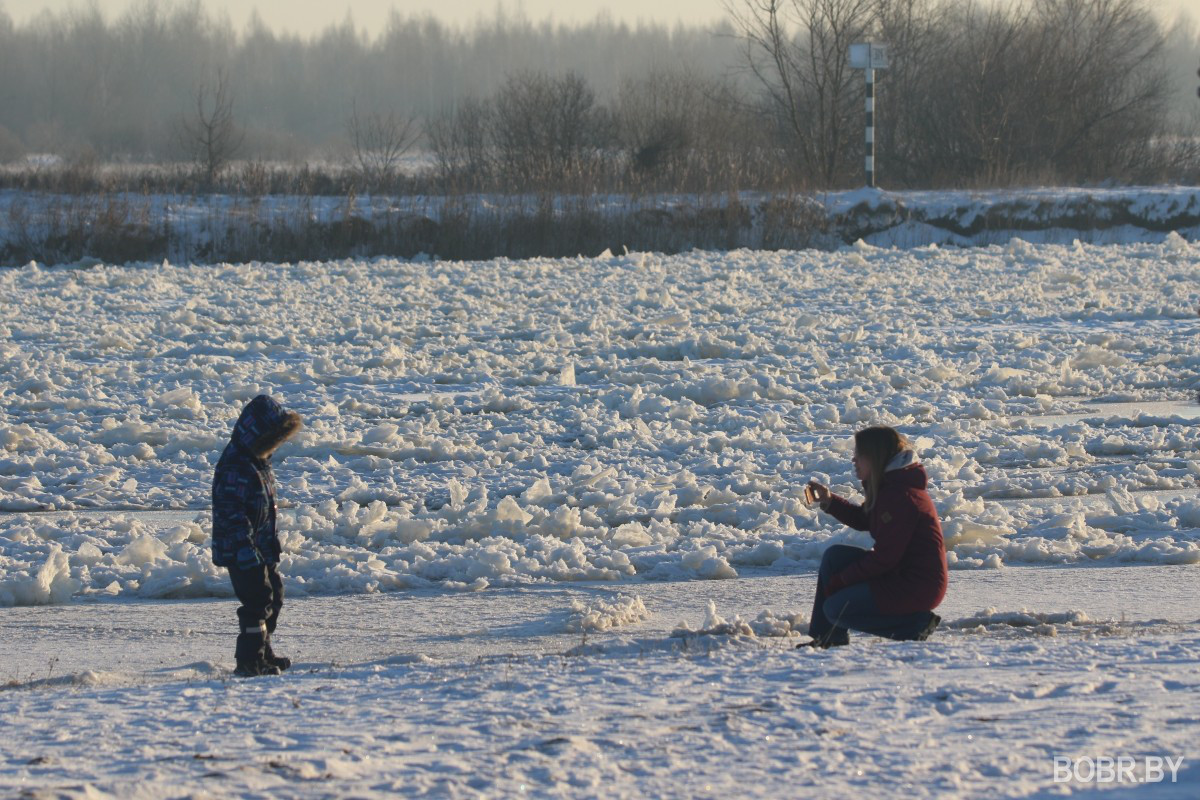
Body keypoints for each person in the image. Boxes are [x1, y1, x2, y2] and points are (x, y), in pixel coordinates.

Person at [800, 426, 947, 648]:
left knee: (835, 608)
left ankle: (915, 625)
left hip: (917, 585)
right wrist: (829, 501)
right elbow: (866, 519)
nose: (853, 459)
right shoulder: (891, 486)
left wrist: (843, 580)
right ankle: (828, 638)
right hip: (900, 574)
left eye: (859, 455)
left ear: (874, 457)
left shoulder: (900, 496)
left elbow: (885, 558)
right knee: (835, 557)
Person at [212, 394, 303, 677]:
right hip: (241, 550)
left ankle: (263, 649)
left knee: (274, 596)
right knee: (257, 601)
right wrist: (245, 549)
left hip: (260, 547)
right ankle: (249, 659)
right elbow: (232, 515)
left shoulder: (259, 461)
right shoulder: (236, 466)